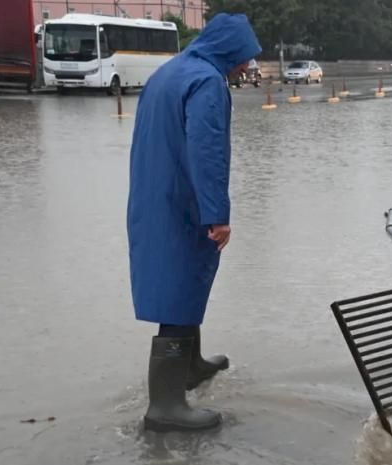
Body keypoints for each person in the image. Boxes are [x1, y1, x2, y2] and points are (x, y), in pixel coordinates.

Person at [127, 13, 261, 432]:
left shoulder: (170, 72)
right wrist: (217, 213)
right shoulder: (206, 82)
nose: (246, 66)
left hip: (155, 196)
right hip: (184, 203)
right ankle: (165, 405)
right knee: (178, 289)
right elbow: (208, 152)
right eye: (244, 56)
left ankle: (191, 366)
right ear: (229, 51)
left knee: (184, 285)